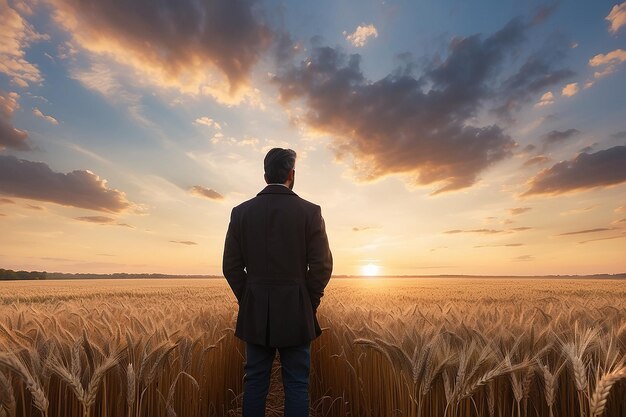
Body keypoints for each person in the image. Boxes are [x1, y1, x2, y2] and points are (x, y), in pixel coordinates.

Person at [223, 147, 333, 417]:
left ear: (264, 175)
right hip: (296, 311)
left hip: (256, 312)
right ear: (291, 174)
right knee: (296, 383)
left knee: (255, 382)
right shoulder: (310, 212)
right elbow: (322, 266)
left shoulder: (241, 213)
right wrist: (307, 302)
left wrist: (250, 297)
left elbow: (231, 266)